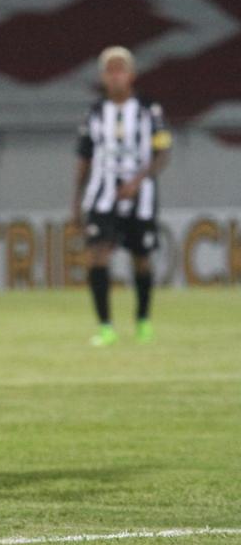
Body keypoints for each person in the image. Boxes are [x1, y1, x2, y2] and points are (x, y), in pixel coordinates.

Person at [72, 46, 171, 346]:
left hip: (140, 195)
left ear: (131, 74)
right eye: (110, 70)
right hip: (102, 194)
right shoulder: (94, 113)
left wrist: (138, 181)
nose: (115, 76)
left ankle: (143, 321)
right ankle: (105, 327)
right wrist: (76, 201)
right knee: (97, 254)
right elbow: (84, 158)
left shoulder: (150, 109)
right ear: (103, 77)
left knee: (141, 258)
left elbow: (162, 153)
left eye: (120, 69)